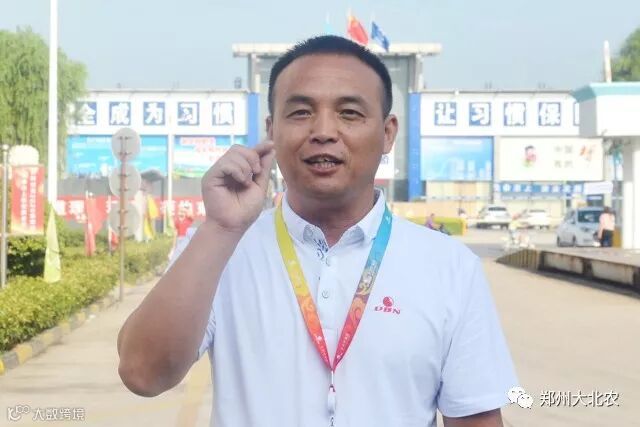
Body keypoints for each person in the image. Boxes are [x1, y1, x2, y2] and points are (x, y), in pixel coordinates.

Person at [117, 35, 518, 427]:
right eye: (301, 112)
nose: (323, 131)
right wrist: (221, 228)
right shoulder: (220, 247)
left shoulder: (449, 267)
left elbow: (476, 417)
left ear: (388, 133)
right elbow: (143, 374)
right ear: (272, 130)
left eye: (349, 113)